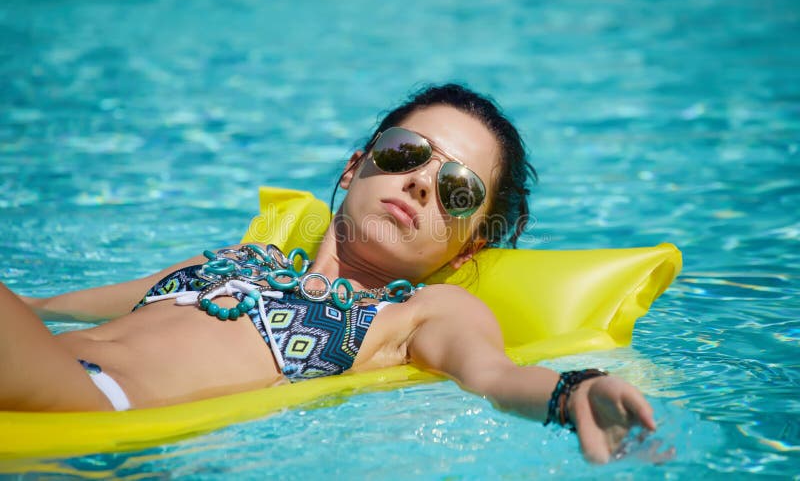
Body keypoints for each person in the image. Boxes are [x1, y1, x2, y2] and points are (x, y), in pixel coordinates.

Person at [1, 83, 658, 464]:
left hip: (92, 407)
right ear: (355, 167)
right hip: (43, 372)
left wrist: (570, 394)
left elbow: (494, 374)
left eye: (458, 190)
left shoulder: (415, 314)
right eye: (406, 153)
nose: (422, 184)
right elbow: (40, 308)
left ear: (466, 249)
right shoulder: (235, 261)